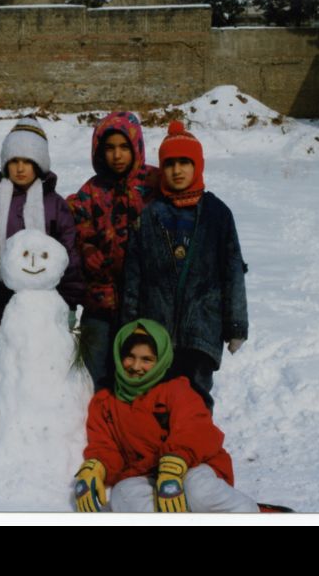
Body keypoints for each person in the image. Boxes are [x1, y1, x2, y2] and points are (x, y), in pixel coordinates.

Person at [122, 121, 248, 410]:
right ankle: (161, 449)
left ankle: (192, 450)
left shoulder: (218, 214)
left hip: (202, 327)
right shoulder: (150, 215)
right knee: (157, 398)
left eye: (185, 163)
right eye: (169, 164)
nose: (177, 170)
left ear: (198, 166)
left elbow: (232, 271)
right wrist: (130, 324)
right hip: (156, 328)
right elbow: (134, 275)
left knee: (195, 398)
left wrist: (236, 324)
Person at [73, 319, 259, 512]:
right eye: (130, 357)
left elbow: (194, 428)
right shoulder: (105, 401)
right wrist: (98, 466)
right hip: (146, 473)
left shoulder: (176, 389)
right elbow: (105, 446)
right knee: (123, 494)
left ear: (160, 360)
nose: (136, 366)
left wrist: (174, 462)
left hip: (191, 464)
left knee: (197, 490)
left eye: (146, 359)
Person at [0, 116, 84, 340]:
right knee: (10, 360)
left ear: (39, 163)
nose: (20, 168)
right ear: (5, 163)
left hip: (48, 299)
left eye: (28, 161)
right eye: (14, 161)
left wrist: (70, 302)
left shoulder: (55, 206)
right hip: (1, 298)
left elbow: (69, 254)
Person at [67, 112, 158, 389]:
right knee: (95, 375)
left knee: (138, 375)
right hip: (99, 303)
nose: (117, 155)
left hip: (145, 304)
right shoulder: (91, 191)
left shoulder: (153, 185)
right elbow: (72, 228)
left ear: (135, 147)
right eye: (109, 148)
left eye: (123, 147)